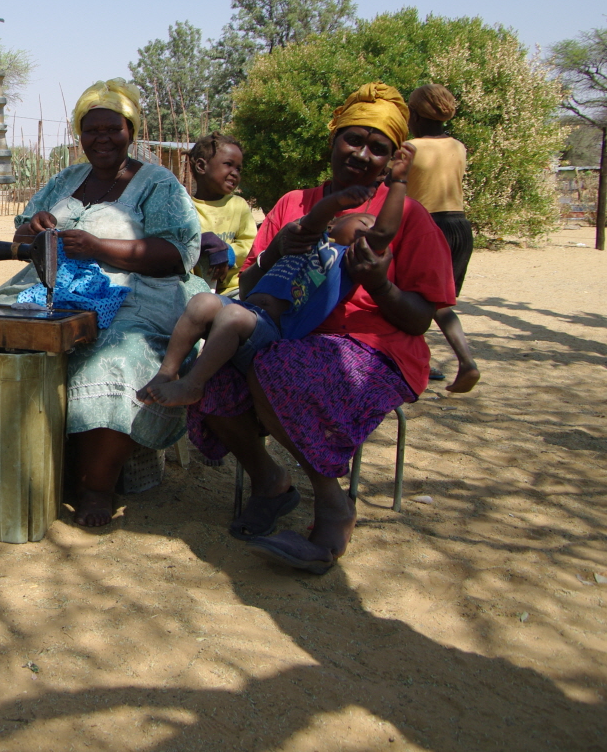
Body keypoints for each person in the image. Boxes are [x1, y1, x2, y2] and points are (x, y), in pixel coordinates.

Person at [186, 82, 456, 573]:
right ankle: (270, 482)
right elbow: (252, 287)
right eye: (354, 139)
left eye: (378, 148)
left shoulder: (409, 218)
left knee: (280, 368)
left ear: (391, 159)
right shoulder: (294, 204)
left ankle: (333, 505)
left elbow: (420, 319)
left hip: (376, 349)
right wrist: (276, 251)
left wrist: (381, 285)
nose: (363, 154)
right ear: (333, 140)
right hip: (286, 335)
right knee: (213, 376)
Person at [0, 79, 203, 527]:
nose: (102, 138)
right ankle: (14, 464)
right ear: (80, 134)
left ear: (131, 131)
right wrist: (35, 227)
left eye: (113, 129)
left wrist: (99, 248)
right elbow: (21, 236)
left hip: (136, 292)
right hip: (50, 286)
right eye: (92, 130)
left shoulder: (157, 184)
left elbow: (177, 254)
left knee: (114, 359)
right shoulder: (65, 180)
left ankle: (96, 488)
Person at [142, 142, 415, 407]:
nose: (367, 229)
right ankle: (167, 372)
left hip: (275, 333)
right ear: (335, 222)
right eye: (363, 221)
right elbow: (317, 216)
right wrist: (336, 201)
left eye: (370, 227)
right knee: (202, 301)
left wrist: (398, 182)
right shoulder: (312, 238)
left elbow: (384, 232)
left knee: (233, 316)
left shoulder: (345, 261)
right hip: (250, 310)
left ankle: (194, 384)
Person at [406, 84, 480, 392]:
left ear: (415, 114)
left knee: (417, 300)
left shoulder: (410, 149)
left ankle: (452, 361)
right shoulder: (458, 147)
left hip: (427, 227)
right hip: (459, 226)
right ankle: (456, 361)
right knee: (440, 301)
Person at [187, 133, 258, 296]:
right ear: (201, 166)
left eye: (238, 169)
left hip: (235, 289)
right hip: (195, 292)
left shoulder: (238, 206)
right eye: (228, 164)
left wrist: (228, 253)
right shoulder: (185, 208)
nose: (235, 173)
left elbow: (251, 245)